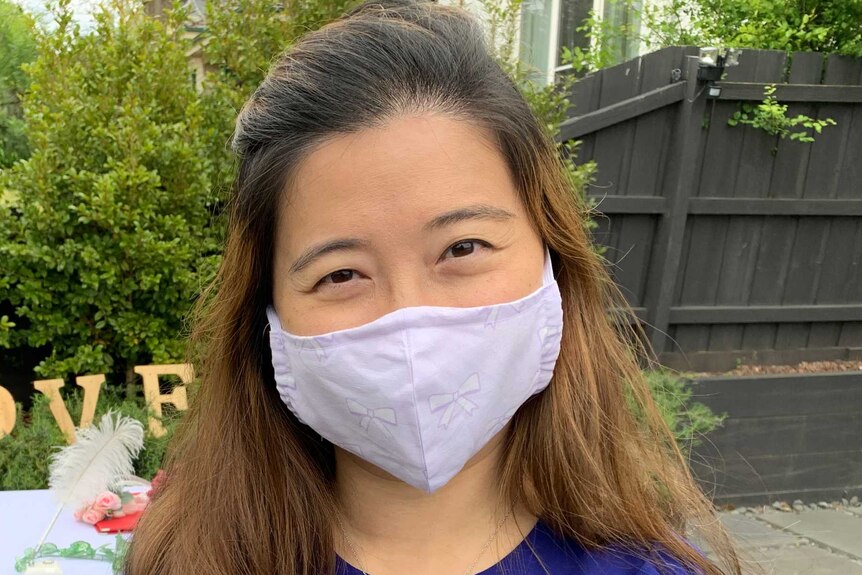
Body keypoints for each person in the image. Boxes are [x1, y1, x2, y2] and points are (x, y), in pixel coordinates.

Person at [124, 1, 742, 574]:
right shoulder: (188, 558)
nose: (409, 322)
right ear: (268, 318)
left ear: (553, 258)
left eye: (463, 248)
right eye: (340, 274)